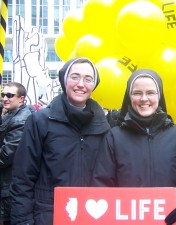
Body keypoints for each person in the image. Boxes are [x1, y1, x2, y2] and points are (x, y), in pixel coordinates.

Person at [10, 58, 111, 225]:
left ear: (94, 85)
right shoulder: (40, 121)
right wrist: (23, 221)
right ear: (65, 80)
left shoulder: (104, 126)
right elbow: (23, 178)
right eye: (75, 77)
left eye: (88, 79)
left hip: (91, 216)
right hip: (48, 216)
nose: (81, 84)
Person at [93, 69, 176, 225]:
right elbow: (102, 183)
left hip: (172, 221)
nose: (144, 99)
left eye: (150, 92)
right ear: (129, 97)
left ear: (159, 96)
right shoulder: (114, 138)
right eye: (137, 93)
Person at [0, 82, 32, 225]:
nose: (5, 98)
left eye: (10, 95)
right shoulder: (11, 114)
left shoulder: (21, 119)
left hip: (9, 185)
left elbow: (6, 155)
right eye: (3, 95)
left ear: (21, 99)